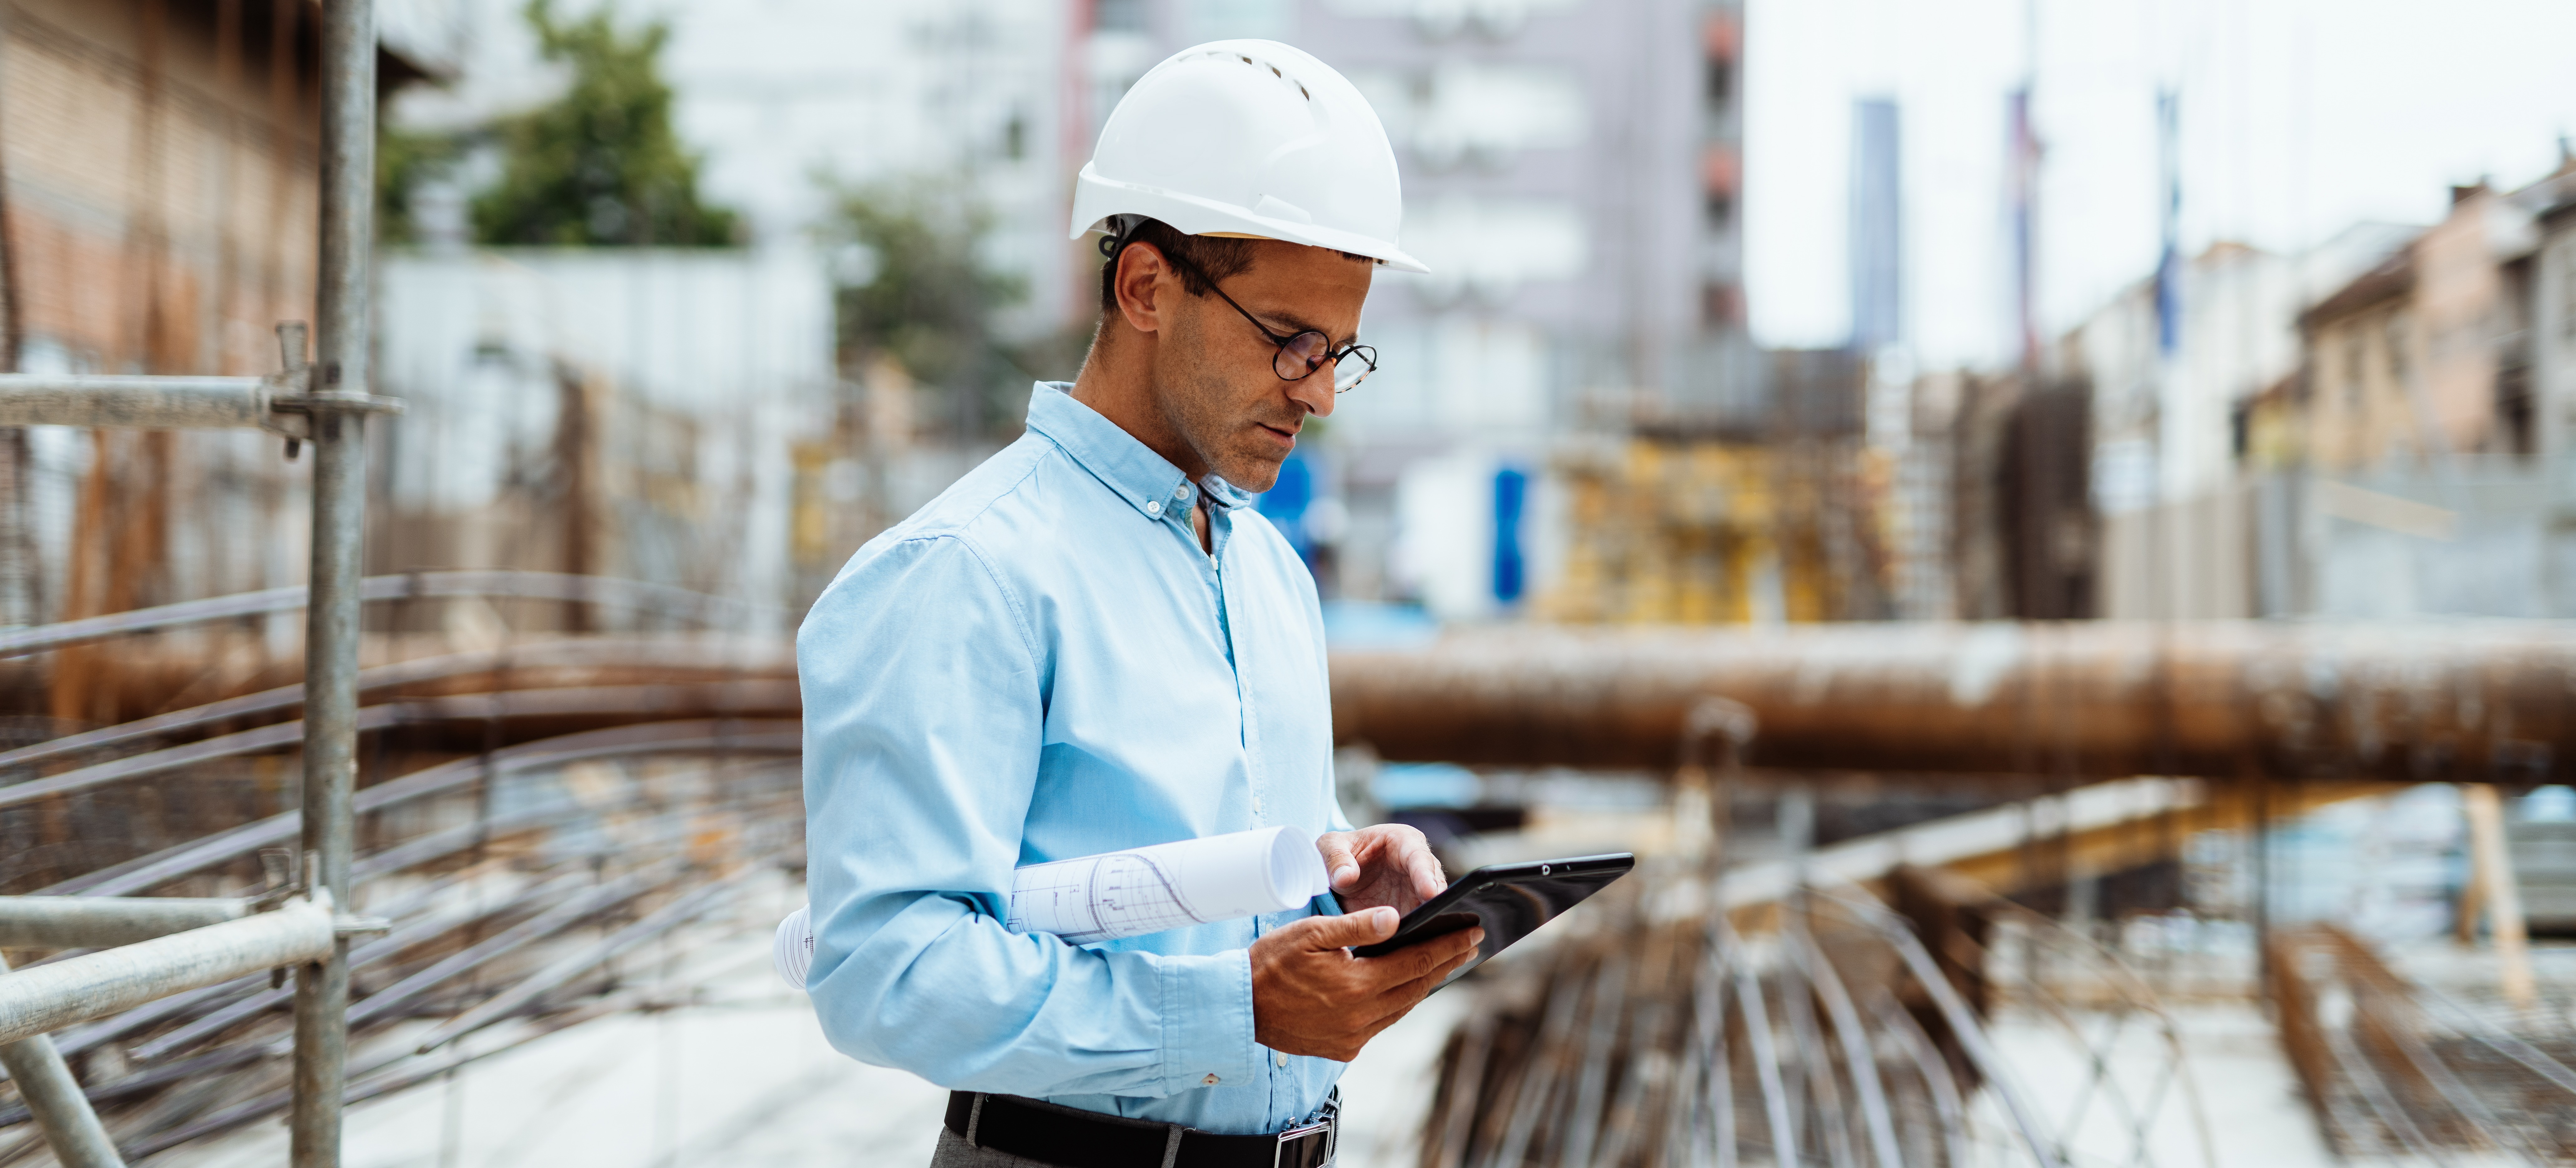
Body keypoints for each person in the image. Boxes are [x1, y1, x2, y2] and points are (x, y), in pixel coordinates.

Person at [797, 39, 1483, 1168]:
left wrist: (1340, 886)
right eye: (1290, 342)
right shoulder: (964, 572)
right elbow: (884, 971)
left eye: (1341, 352)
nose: (1316, 390)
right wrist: (1231, 1014)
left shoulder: (1268, 576)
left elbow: (1218, 900)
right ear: (1147, 287)